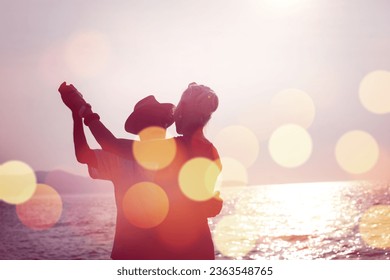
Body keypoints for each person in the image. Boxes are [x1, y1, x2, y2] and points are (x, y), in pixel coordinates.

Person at [58, 82, 223, 259]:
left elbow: (111, 143)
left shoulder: (172, 148)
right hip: (196, 249)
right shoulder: (211, 151)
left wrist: (84, 110)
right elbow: (209, 205)